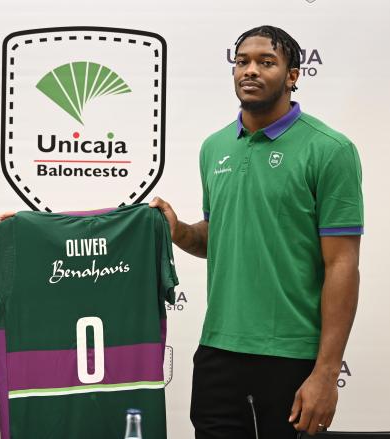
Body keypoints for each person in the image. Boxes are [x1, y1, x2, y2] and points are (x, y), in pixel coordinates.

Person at [151, 25, 363, 438]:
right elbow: (217, 237)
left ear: (292, 75)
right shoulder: (214, 147)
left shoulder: (331, 150)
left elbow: (342, 265)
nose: (250, 70)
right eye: (242, 62)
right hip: (217, 353)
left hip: (292, 357)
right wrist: (177, 230)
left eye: (266, 62)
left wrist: (325, 372)